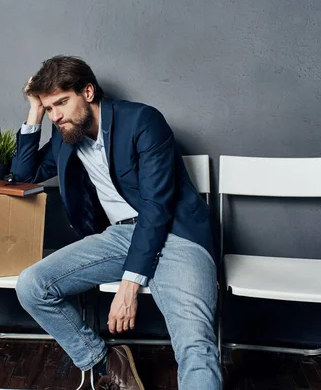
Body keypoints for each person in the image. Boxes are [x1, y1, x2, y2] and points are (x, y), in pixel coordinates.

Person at [12, 55, 221, 390]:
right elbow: (23, 175)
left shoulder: (142, 121)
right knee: (32, 285)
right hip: (121, 237)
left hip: (178, 236)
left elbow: (156, 208)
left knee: (196, 343)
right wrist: (34, 111)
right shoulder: (67, 135)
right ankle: (107, 361)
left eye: (62, 102)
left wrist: (129, 285)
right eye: (50, 108)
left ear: (89, 92)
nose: (58, 115)